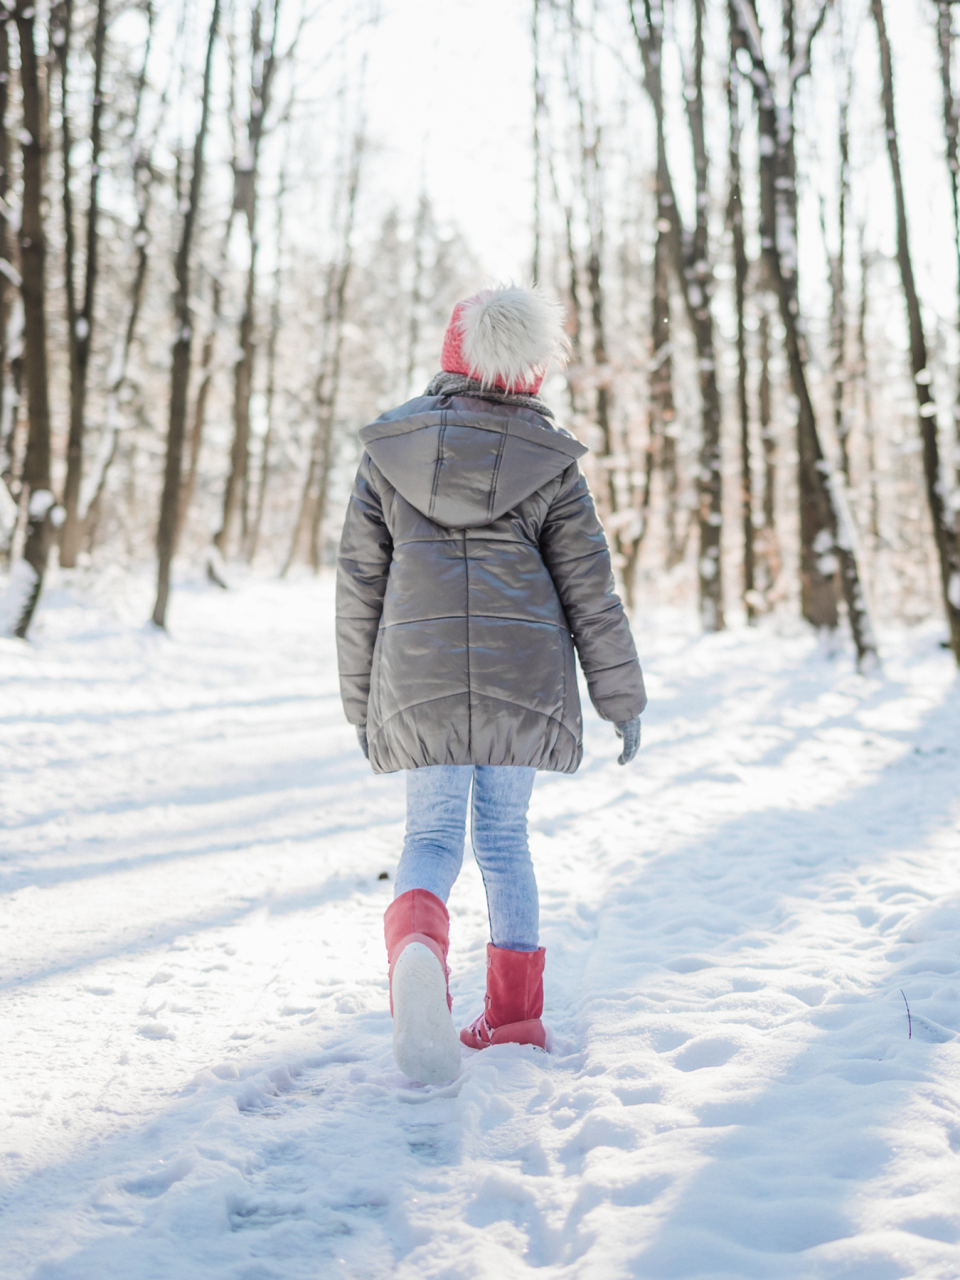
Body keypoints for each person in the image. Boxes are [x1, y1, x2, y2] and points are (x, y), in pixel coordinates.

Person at [336, 285, 646, 1084]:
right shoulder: (552, 463)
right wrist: (621, 697)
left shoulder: (390, 449)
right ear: (529, 369)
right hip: (522, 674)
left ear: (453, 357)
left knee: (431, 839)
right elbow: (590, 589)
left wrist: (358, 696)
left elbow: (360, 585)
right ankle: (514, 1016)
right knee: (505, 843)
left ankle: (416, 954)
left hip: (419, 673)